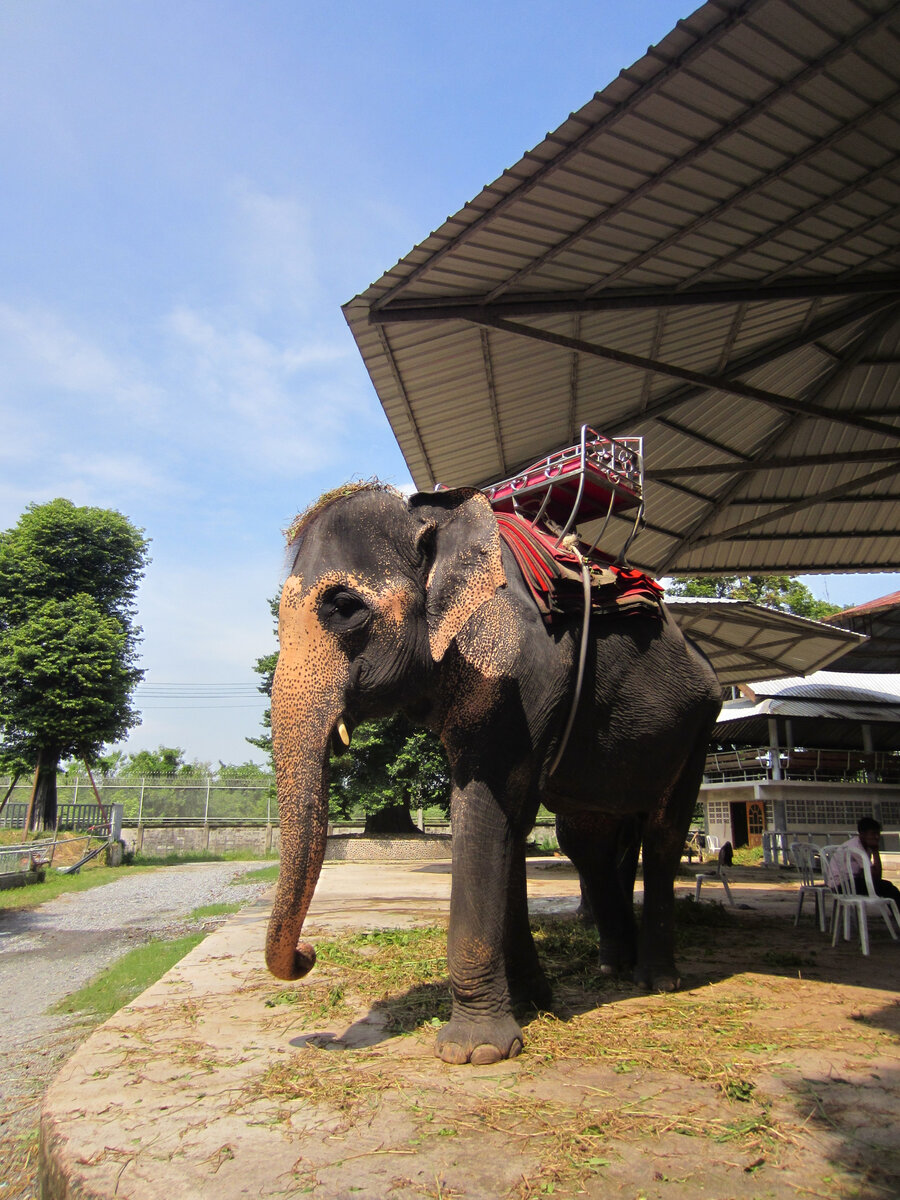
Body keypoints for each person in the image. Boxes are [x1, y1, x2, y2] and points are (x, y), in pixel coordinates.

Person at [826, 817, 900, 904]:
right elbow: (876, 876)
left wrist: (874, 851)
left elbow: (874, 876)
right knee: (888, 887)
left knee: (886, 888)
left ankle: (895, 915)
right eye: (873, 834)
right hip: (842, 885)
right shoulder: (856, 848)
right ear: (862, 834)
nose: (876, 837)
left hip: (850, 883)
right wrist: (875, 851)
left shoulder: (865, 847)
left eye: (878, 834)